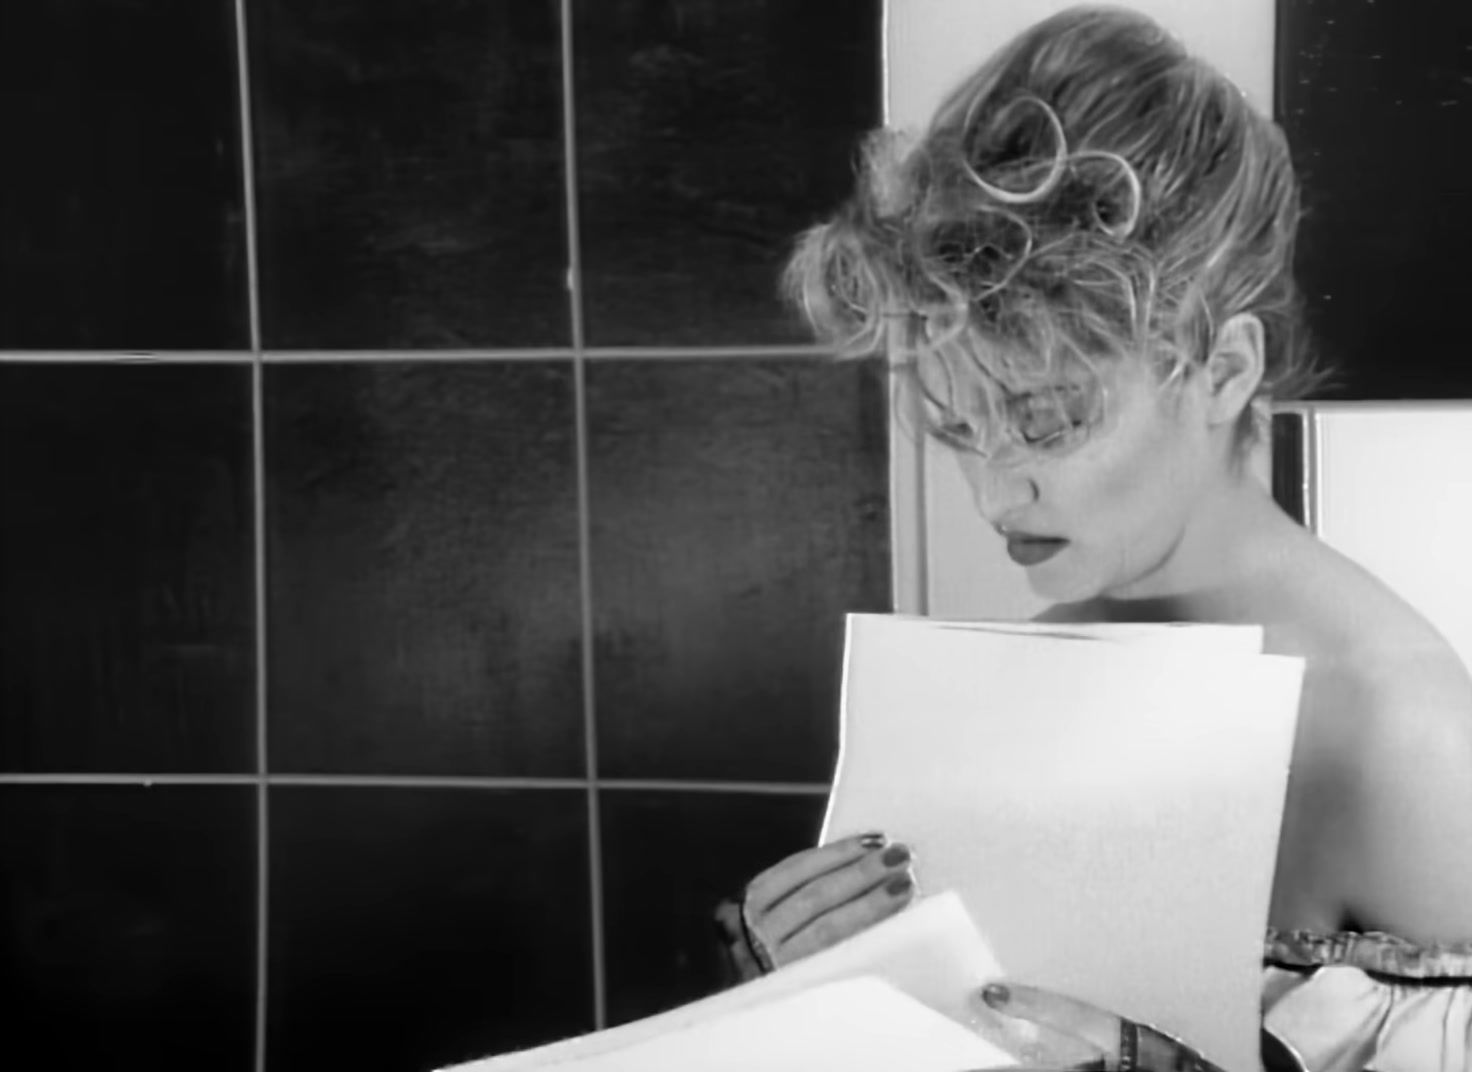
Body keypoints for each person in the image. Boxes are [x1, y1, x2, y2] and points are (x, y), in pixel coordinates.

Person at [715, 6, 1472, 1070]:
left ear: (1221, 371)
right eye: (957, 427)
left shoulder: (1408, 738)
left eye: (1048, 419)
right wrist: (812, 992)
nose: (991, 492)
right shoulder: (1011, 681)